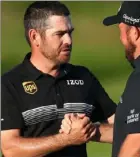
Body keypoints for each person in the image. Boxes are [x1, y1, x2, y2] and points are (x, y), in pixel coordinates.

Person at [1, 1, 117, 157]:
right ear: (35, 37)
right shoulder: (9, 84)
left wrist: (89, 129)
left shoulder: (83, 77)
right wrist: (66, 139)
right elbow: (11, 149)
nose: (68, 40)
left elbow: (123, 129)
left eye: (70, 32)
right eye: (60, 34)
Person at [61, 1, 140, 157]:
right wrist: (90, 130)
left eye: (121, 31)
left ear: (134, 32)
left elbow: (137, 146)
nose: (121, 39)